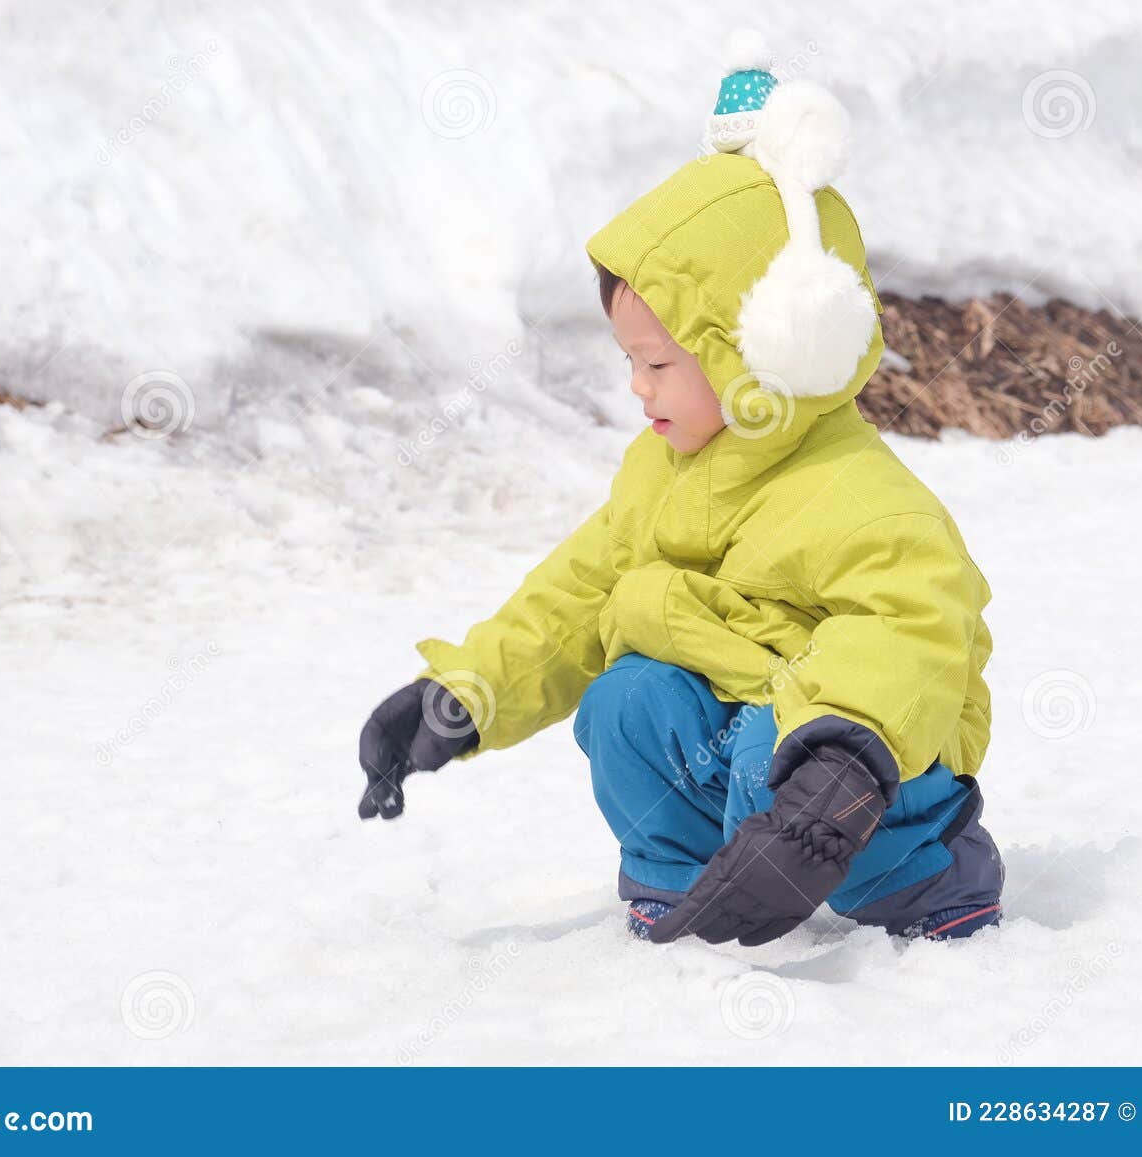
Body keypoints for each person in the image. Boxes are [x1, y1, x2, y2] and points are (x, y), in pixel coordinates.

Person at [358, 37, 1004, 947]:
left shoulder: (859, 494)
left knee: (772, 741)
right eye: (631, 362)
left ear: (766, 349)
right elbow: (574, 597)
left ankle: (936, 876)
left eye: (660, 362)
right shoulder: (660, 478)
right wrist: (462, 694)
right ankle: (691, 879)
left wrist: (833, 771)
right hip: (747, 756)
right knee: (628, 698)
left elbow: (915, 631)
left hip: (858, 772)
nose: (639, 387)